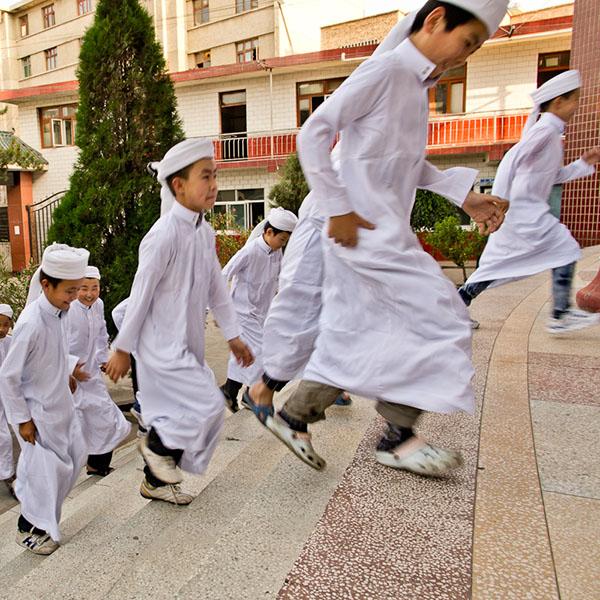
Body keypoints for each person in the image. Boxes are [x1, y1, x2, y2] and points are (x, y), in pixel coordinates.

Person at [243, 0, 510, 476]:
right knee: (436, 318)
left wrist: (464, 196)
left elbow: (402, 161)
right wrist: (339, 208)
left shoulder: (413, 86)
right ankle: (392, 436)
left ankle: (305, 415)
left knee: (363, 330)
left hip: (382, 232)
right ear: (433, 20)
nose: (465, 56)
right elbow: (315, 133)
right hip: (360, 233)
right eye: (467, 42)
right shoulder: (386, 71)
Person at [105, 138, 253, 505]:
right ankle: (155, 449)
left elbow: (217, 286)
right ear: (179, 185)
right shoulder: (163, 234)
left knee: (188, 411)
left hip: (187, 342)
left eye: (215, 175)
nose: (214, 185)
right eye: (206, 176)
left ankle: (154, 480)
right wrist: (122, 348)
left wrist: (233, 336)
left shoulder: (202, 232)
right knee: (204, 404)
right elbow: (139, 296)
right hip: (160, 345)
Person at [459, 70, 600, 333]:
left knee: (494, 268)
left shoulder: (550, 134)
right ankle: (560, 314)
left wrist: (583, 164)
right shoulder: (545, 131)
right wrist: (496, 204)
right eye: (574, 100)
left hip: (522, 213)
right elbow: (512, 160)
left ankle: (455, 307)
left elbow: (553, 176)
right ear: (558, 102)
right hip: (525, 212)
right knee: (566, 248)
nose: (577, 106)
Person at [0, 243, 89, 554]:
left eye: (78, 289)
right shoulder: (30, 322)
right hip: (36, 414)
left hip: (58, 406)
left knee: (73, 459)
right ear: (46, 285)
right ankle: (28, 529)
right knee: (43, 474)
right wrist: (23, 420)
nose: (75, 297)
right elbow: (8, 376)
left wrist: (67, 371)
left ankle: (42, 522)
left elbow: (52, 352)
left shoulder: (58, 313)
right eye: (70, 291)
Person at [220, 207, 298, 411]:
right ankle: (251, 394)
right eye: (281, 239)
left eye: (285, 241)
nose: (283, 244)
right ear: (269, 232)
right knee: (264, 353)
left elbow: (278, 280)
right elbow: (223, 275)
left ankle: (228, 392)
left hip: (262, 312)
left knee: (245, 354)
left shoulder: (276, 252)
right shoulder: (250, 251)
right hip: (242, 312)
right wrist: (220, 309)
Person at [67, 266, 131, 476]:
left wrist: (104, 359)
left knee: (106, 417)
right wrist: (68, 370)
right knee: (76, 423)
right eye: (83, 288)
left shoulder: (98, 305)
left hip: (91, 374)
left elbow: (101, 333)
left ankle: (97, 464)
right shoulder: (67, 308)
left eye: (94, 288)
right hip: (69, 378)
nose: (89, 294)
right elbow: (57, 343)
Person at [0, 304, 16, 497]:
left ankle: (7, 473)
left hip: (8, 393)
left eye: (6, 324)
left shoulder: (11, 342)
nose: (2, 329)